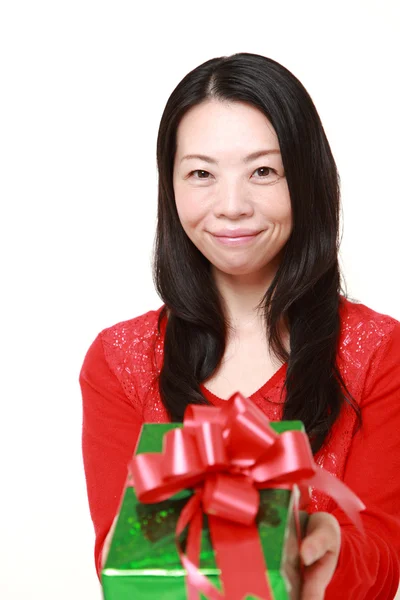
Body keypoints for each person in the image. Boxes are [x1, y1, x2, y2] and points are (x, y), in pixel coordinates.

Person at [80, 52, 400, 600]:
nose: (232, 206)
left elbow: (385, 558)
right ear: (171, 186)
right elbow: (123, 563)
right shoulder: (120, 359)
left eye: (263, 171)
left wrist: (328, 550)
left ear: (306, 179)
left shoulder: (377, 351)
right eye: (201, 173)